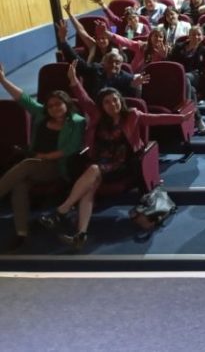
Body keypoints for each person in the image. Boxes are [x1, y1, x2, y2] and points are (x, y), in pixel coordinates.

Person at [39, 62, 189, 250]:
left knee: (92, 170)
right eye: (107, 102)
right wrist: (73, 80)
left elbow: (156, 119)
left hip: (123, 165)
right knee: (89, 188)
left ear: (121, 101)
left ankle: (62, 210)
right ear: (102, 105)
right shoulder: (97, 116)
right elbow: (83, 99)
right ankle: (81, 234)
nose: (112, 105)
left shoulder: (132, 115)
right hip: (99, 163)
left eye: (115, 100)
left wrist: (180, 119)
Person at [0, 63, 85, 252]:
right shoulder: (41, 115)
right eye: (51, 105)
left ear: (66, 104)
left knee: (28, 164)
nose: (54, 108)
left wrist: (44, 156)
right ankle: (22, 234)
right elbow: (22, 98)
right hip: (34, 163)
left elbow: (70, 149)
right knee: (20, 185)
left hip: (56, 167)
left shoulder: (76, 122)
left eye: (58, 104)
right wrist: (3, 80)